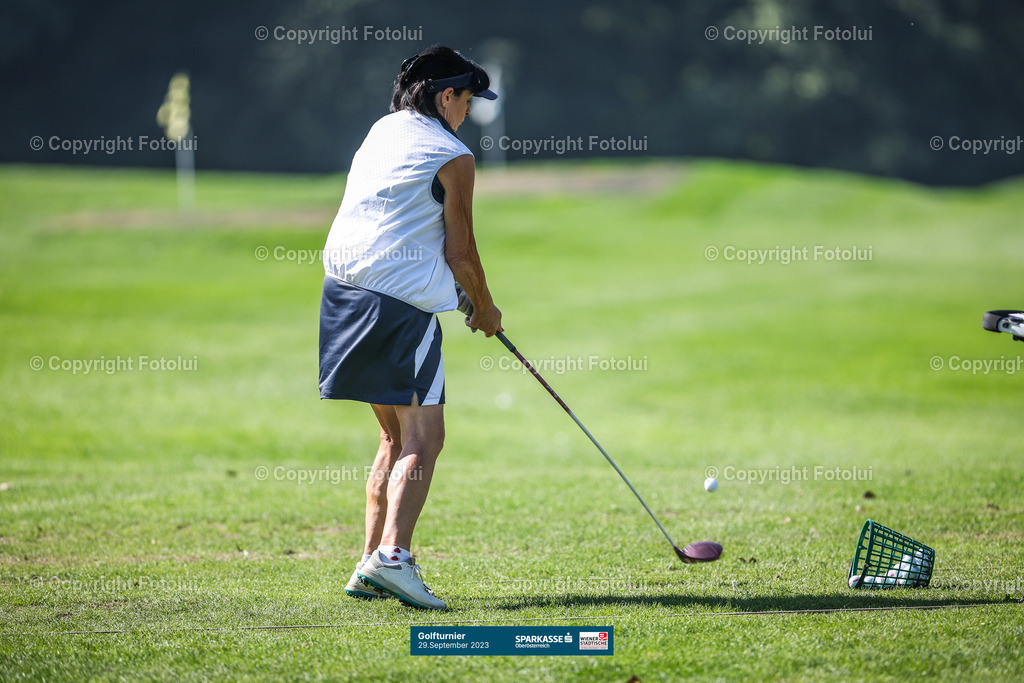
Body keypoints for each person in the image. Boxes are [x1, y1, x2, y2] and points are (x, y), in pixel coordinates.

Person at [319, 45, 502, 610]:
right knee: (426, 438)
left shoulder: (381, 131)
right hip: (398, 307)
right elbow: (462, 250)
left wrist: (462, 300)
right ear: (446, 96)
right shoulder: (454, 155)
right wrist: (486, 309)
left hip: (341, 295)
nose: (468, 112)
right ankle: (395, 561)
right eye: (467, 99)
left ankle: (369, 562)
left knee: (393, 437)